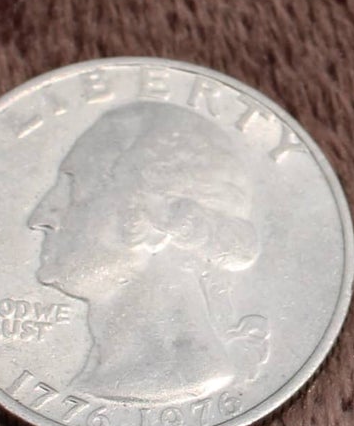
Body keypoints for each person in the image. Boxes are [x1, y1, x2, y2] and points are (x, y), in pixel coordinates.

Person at [28, 102, 269, 401]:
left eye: (76, 187)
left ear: (153, 219)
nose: (41, 218)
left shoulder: (182, 374)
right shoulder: (102, 376)